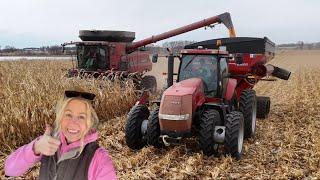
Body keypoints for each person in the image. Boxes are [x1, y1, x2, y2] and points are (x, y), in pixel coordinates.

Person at [5, 88, 117, 180]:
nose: (74, 122)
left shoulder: (99, 159)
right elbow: (9, 169)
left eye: (81, 117)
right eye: (68, 114)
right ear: (60, 117)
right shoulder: (47, 142)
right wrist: (36, 147)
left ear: (90, 122)